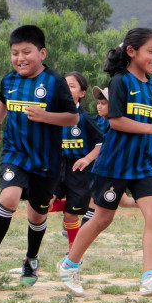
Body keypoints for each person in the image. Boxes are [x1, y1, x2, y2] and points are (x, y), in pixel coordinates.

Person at [58, 27, 152, 297]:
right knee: (102, 218)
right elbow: (115, 121)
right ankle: (69, 264)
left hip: (143, 164)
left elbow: (145, 125)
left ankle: (150, 277)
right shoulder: (120, 82)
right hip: (115, 162)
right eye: (151, 51)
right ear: (131, 52)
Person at [0, 25, 78, 286]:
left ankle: (31, 260)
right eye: (14, 53)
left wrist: (47, 117)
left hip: (46, 159)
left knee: (37, 215)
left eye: (26, 52)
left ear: (42, 53)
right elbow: (3, 101)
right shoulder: (9, 80)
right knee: (8, 197)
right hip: (15, 152)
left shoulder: (54, 82)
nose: (19, 58)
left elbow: (72, 116)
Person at [81, 86, 152, 226]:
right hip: (104, 169)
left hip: (109, 169)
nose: (99, 106)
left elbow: (104, 145)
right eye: (98, 103)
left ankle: (77, 235)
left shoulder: (113, 123)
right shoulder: (97, 120)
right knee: (123, 201)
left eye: (104, 103)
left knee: (95, 203)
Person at [49, 72, 104, 250]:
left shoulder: (85, 118)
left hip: (79, 172)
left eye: (72, 86)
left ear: (82, 93)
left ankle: (74, 251)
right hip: (58, 167)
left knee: (71, 216)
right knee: (44, 204)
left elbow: (101, 143)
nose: (66, 89)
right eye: (64, 86)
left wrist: (87, 159)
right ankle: (75, 203)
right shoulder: (53, 114)